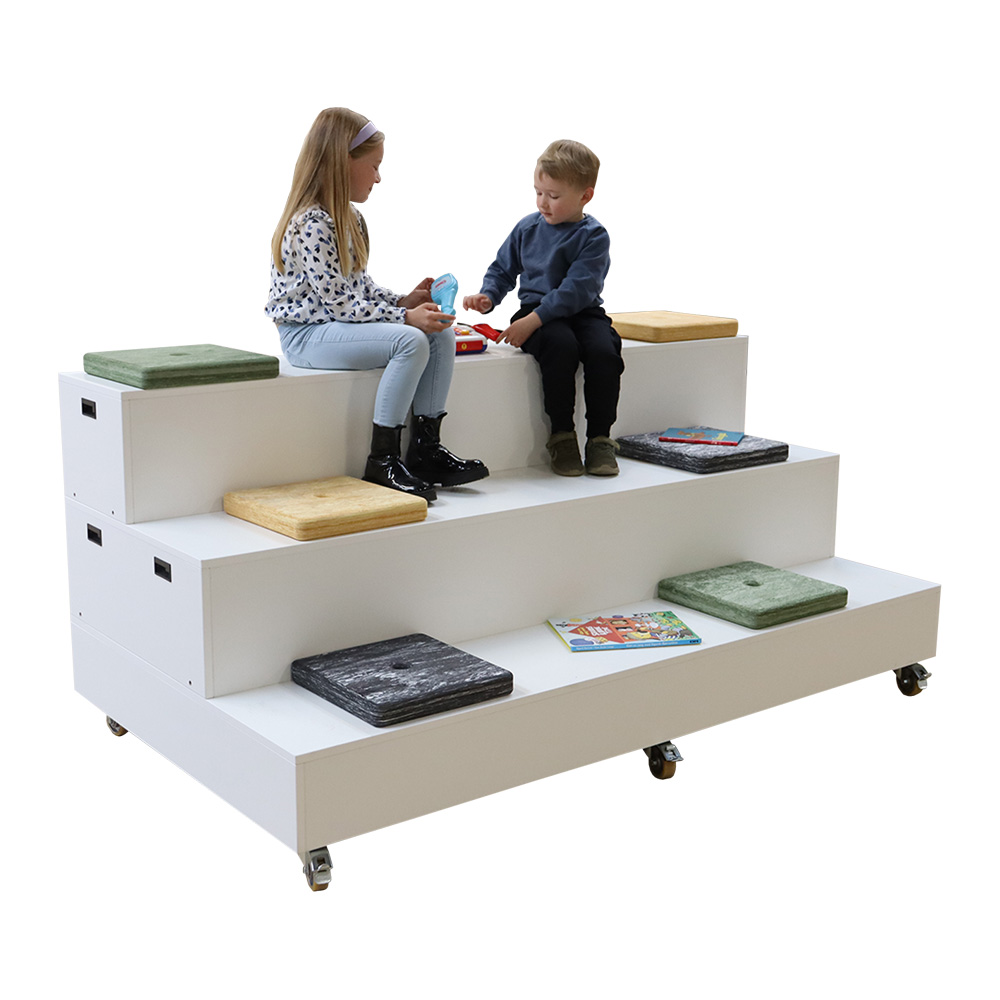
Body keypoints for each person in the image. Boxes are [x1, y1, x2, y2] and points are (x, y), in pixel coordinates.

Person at [266, 107, 488, 501]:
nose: (378, 177)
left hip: (334, 327)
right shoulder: (312, 224)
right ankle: (382, 460)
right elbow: (339, 304)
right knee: (411, 340)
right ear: (342, 163)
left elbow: (359, 288)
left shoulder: (349, 217)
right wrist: (404, 317)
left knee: (439, 334)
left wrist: (404, 300)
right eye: (374, 166)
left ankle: (426, 451)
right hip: (306, 336)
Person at [464, 139, 623, 477]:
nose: (542, 203)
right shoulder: (528, 227)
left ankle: (600, 439)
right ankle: (562, 438)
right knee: (560, 346)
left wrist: (533, 321)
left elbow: (577, 289)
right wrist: (488, 296)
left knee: (604, 351)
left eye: (553, 196)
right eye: (538, 192)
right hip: (536, 309)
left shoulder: (594, 236)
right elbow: (503, 268)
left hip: (580, 311)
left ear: (585, 196)